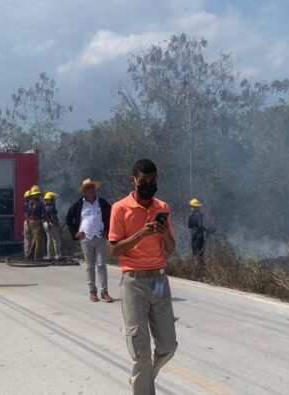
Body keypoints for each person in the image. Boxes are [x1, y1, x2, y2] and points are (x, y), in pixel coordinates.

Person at [109, 159, 178, 394]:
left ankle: (142, 375)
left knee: (168, 346)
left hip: (159, 281)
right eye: (143, 182)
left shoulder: (162, 207)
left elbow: (170, 248)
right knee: (141, 352)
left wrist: (163, 232)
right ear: (133, 181)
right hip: (133, 282)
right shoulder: (120, 208)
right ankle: (143, 380)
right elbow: (114, 249)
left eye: (152, 181)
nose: (148, 185)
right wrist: (140, 234)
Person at [65, 178, 112, 302]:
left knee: (101, 265)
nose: (91, 190)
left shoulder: (102, 203)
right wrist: (75, 233)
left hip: (100, 237)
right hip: (86, 239)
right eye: (88, 188)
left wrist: (108, 230)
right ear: (84, 191)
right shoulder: (78, 205)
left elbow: (112, 215)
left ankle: (104, 292)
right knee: (90, 266)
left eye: (92, 188)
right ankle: (92, 292)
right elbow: (68, 220)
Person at [42, 191, 63, 261]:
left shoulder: (45, 207)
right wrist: (57, 225)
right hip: (51, 224)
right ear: (51, 199)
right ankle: (58, 256)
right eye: (53, 199)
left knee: (49, 241)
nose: (54, 201)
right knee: (56, 240)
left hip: (45, 224)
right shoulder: (51, 207)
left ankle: (50, 256)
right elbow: (53, 218)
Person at [26, 185, 45, 261]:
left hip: (31, 221)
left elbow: (28, 213)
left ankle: (30, 254)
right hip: (37, 222)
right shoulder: (40, 203)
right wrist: (48, 222)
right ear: (37, 194)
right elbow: (45, 214)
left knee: (35, 238)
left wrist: (28, 220)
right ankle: (38, 257)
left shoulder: (30, 203)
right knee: (39, 241)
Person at [23, 190, 32, 258]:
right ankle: (29, 254)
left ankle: (27, 254)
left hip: (27, 222)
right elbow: (26, 214)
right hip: (29, 222)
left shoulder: (26, 204)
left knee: (27, 239)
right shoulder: (29, 205)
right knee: (29, 238)